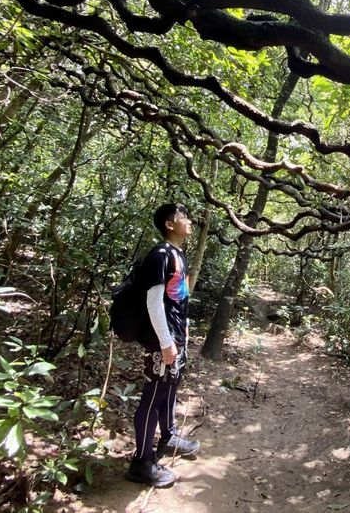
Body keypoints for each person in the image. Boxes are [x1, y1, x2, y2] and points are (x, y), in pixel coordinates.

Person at [125, 203, 200, 488]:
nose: (189, 221)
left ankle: (167, 437)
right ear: (170, 224)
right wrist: (166, 342)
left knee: (170, 387)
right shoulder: (160, 255)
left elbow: (179, 299)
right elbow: (154, 301)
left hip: (176, 336)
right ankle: (141, 462)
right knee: (153, 395)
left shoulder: (179, 255)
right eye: (184, 217)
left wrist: (185, 331)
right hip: (162, 340)